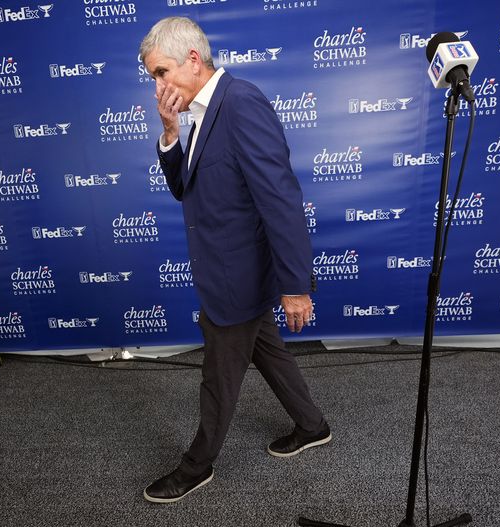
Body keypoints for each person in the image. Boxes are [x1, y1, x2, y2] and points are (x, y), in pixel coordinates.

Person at [139, 16, 330, 504]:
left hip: (239, 278)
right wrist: (169, 130)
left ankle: (195, 465)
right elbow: (185, 187)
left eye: (161, 72)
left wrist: (295, 285)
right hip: (225, 271)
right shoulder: (200, 109)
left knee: (218, 378)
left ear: (194, 60)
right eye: (153, 77)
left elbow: (280, 199)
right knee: (267, 350)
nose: (157, 85)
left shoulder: (241, 102)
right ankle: (312, 425)